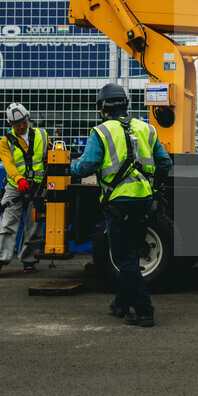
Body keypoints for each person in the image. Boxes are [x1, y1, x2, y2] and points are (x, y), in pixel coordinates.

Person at [70, 83, 172, 328]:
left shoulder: (101, 132)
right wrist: (152, 187)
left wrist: (69, 166)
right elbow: (165, 163)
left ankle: (145, 311)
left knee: (124, 259)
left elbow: (86, 167)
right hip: (144, 201)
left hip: (119, 203)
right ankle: (120, 303)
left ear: (102, 108)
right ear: (126, 104)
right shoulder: (147, 129)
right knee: (132, 253)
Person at [0, 103, 50, 277]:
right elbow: (9, 165)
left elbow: (49, 156)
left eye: (23, 121)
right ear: (10, 125)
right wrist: (19, 179)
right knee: (7, 222)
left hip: (37, 187)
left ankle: (29, 260)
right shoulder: (4, 143)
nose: (21, 126)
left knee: (34, 225)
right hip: (15, 187)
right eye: (16, 124)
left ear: (28, 118)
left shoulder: (43, 136)